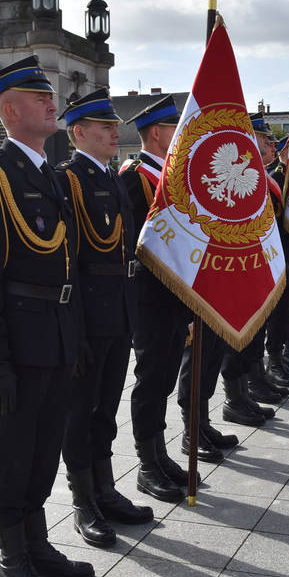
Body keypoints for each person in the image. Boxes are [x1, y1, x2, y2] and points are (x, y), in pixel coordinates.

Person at [0, 55, 92, 577]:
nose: (51, 102)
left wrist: (77, 335)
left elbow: (69, 262)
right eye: (39, 98)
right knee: (14, 451)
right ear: (10, 111)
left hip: (58, 334)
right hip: (20, 339)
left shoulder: (48, 174)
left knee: (45, 447)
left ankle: (37, 546)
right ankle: (12, 558)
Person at [55, 89, 153, 549]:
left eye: (115, 125)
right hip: (91, 313)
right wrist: (73, 327)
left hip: (119, 308)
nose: (117, 132)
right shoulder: (69, 180)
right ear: (79, 132)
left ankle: (105, 488)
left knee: (106, 408)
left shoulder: (112, 177)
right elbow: (69, 259)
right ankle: (83, 501)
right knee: (81, 409)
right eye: (106, 127)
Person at [118, 95, 192, 504]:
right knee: (150, 379)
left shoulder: (171, 176)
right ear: (159, 133)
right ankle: (147, 464)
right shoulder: (134, 177)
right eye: (174, 129)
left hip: (174, 293)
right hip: (147, 296)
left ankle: (161, 454)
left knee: (164, 376)